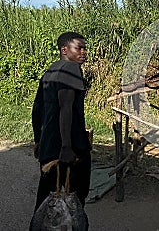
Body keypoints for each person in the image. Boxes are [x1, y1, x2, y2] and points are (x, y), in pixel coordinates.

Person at [30, 32, 92, 229]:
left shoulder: (50, 71)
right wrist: (66, 147)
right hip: (70, 149)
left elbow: (37, 109)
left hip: (49, 148)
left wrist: (39, 141)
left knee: (45, 201)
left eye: (84, 48)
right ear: (64, 50)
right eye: (79, 48)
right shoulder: (71, 68)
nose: (84, 52)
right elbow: (66, 109)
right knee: (74, 202)